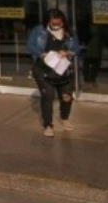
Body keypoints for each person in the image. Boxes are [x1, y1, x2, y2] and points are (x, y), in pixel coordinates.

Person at [26, 8, 80, 137]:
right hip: (43, 69)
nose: (56, 25)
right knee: (48, 95)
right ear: (48, 21)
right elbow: (30, 45)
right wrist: (41, 54)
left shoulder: (69, 32)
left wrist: (67, 52)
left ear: (63, 21)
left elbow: (77, 49)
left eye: (58, 23)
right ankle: (48, 125)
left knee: (67, 96)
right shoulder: (39, 30)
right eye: (53, 23)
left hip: (63, 70)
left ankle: (65, 117)